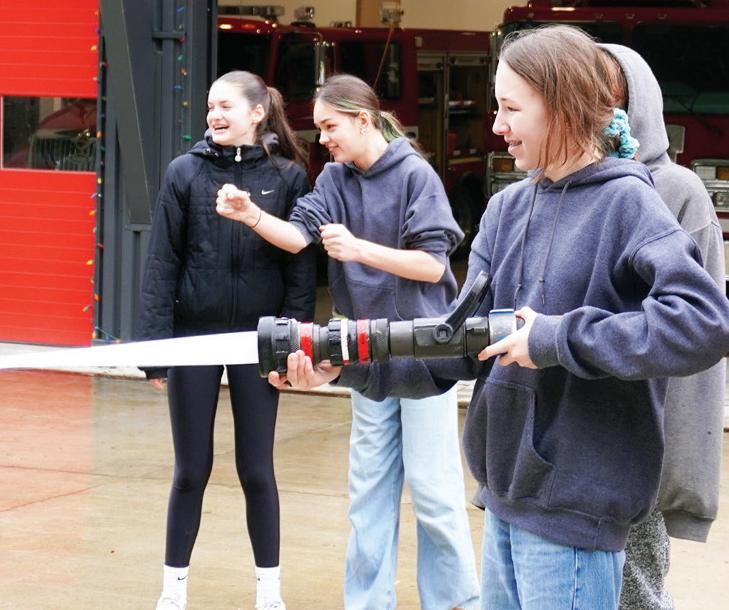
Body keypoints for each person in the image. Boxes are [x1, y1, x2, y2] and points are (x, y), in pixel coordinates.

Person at [271, 26, 729, 610]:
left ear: (562, 106)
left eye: (511, 108)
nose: (496, 126)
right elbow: (458, 344)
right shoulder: (507, 208)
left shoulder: (629, 202)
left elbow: (702, 323)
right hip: (504, 502)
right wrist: (344, 363)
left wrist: (556, 338)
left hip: (575, 518)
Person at [216, 73, 480, 610]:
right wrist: (251, 216)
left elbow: (434, 266)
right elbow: (297, 236)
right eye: (319, 129)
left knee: (434, 494)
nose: (324, 140)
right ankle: (366, 602)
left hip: (423, 354)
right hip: (363, 353)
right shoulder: (334, 180)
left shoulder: (416, 175)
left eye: (330, 127)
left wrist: (360, 250)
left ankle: (456, 602)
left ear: (363, 120)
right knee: (367, 495)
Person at [136, 70, 316, 610]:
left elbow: (301, 269)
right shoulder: (184, 172)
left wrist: (292, 341)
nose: (214, 115)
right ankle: (173, 590)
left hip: (258, 344)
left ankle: (269, 592)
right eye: (210, 106)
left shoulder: (287, 177)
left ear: (257, 113)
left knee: (256, 470)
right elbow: (162, 261)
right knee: (190, 471)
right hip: (194, 338)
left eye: (225, 106)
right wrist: (156, 350)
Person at [597, 43, 727, 610]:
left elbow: (699, 332)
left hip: (638, 442)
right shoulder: (550, 187)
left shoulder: (676, 191)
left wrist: (677, 464)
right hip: (566, 445)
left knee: (636, 591)